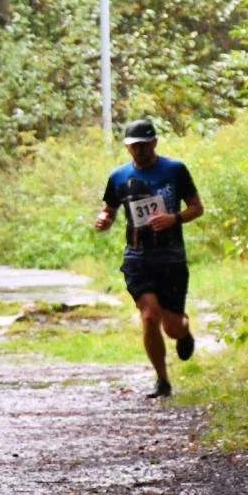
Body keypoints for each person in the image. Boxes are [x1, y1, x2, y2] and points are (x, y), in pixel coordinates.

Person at [94, 118, 202, 398]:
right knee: (149, 315)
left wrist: (173, 218)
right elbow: (109, 208)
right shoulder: (118, 176)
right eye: (134, 146)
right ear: (127, 147)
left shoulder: (175, 170)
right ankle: (162, 380)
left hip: (171, 258)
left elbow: (196, 207)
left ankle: (184, 330)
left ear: (155, 142)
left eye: (144, 145)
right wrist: (104, 219)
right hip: (137, 257)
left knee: (172, 328)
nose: (140, 151)